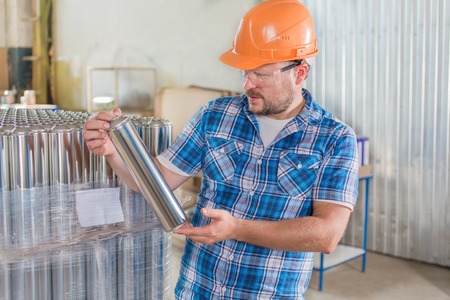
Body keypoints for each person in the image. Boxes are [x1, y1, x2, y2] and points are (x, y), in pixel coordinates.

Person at [83, 0, 359, 298]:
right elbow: (151, 183)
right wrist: (112, 152)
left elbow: (326, 235)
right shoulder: (216, 116)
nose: (248, 84)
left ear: (299, 73)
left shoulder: (334, 139)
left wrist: (237, 228)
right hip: (198, 290)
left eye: (261, 74)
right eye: (244, 72)